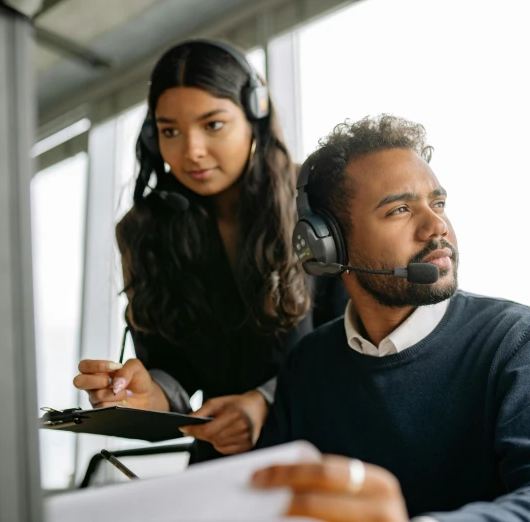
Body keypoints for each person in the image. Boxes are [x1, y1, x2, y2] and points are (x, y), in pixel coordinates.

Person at [252, 115, 530, 521]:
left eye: (437, 203)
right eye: (401, 209)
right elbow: (267, 503)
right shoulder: (310, 364)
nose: (436, 225)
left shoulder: (521, 342)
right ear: (329, 247)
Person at [72, 40, 347, 461]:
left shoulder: (316, 203)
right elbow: (173, 375)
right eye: (170, 132)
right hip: (221, 457)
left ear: (255, 117)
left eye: (213, 125)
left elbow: (357, 337)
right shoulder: (145, 230)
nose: (191, 151)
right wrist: (144, 392)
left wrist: (264, 400)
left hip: (326, 442)